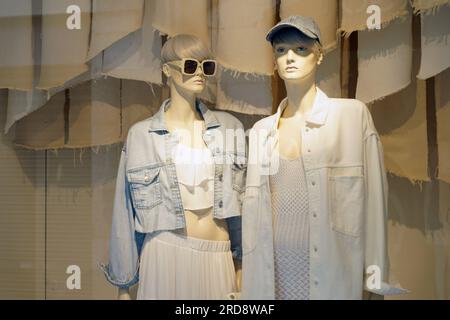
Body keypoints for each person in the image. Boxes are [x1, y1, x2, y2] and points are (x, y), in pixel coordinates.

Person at [241, 15, 406, 300]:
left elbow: (375, 204)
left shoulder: (351, 117)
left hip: (332, 281)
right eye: (281, 50)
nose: (289, 57)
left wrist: (374, 283)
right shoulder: (260, 133)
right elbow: (254, 225)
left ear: (319, 55)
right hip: (270, 283)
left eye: (301, 49)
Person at [100, 34, 246, 300]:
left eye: (206, 66)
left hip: (218, 256)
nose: (200, 73)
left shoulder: (230, 129)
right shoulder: (141, 135)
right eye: (191, 65)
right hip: (164, 255)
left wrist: (242, 267)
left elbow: (245, 208)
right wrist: (124, 287)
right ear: (167, 70)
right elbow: (124, 212)